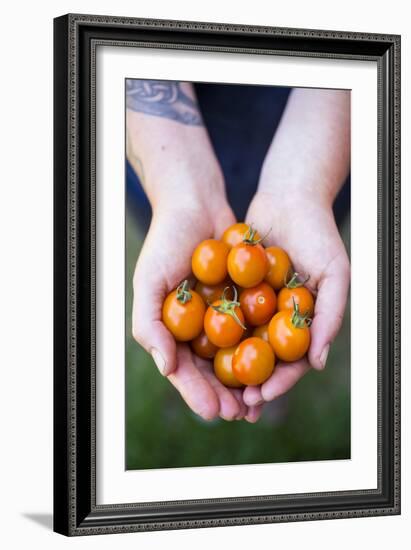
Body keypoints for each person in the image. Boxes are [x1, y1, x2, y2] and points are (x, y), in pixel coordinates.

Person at [126, 79, 351, 423]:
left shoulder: (256, 280)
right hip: (163, 142)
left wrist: (306, 189)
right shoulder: (235, 282)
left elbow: (359, 62)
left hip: (313, 129)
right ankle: (254, 387)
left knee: (312, 229)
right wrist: (177, 197)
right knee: (166, 235)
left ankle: (262, 388)